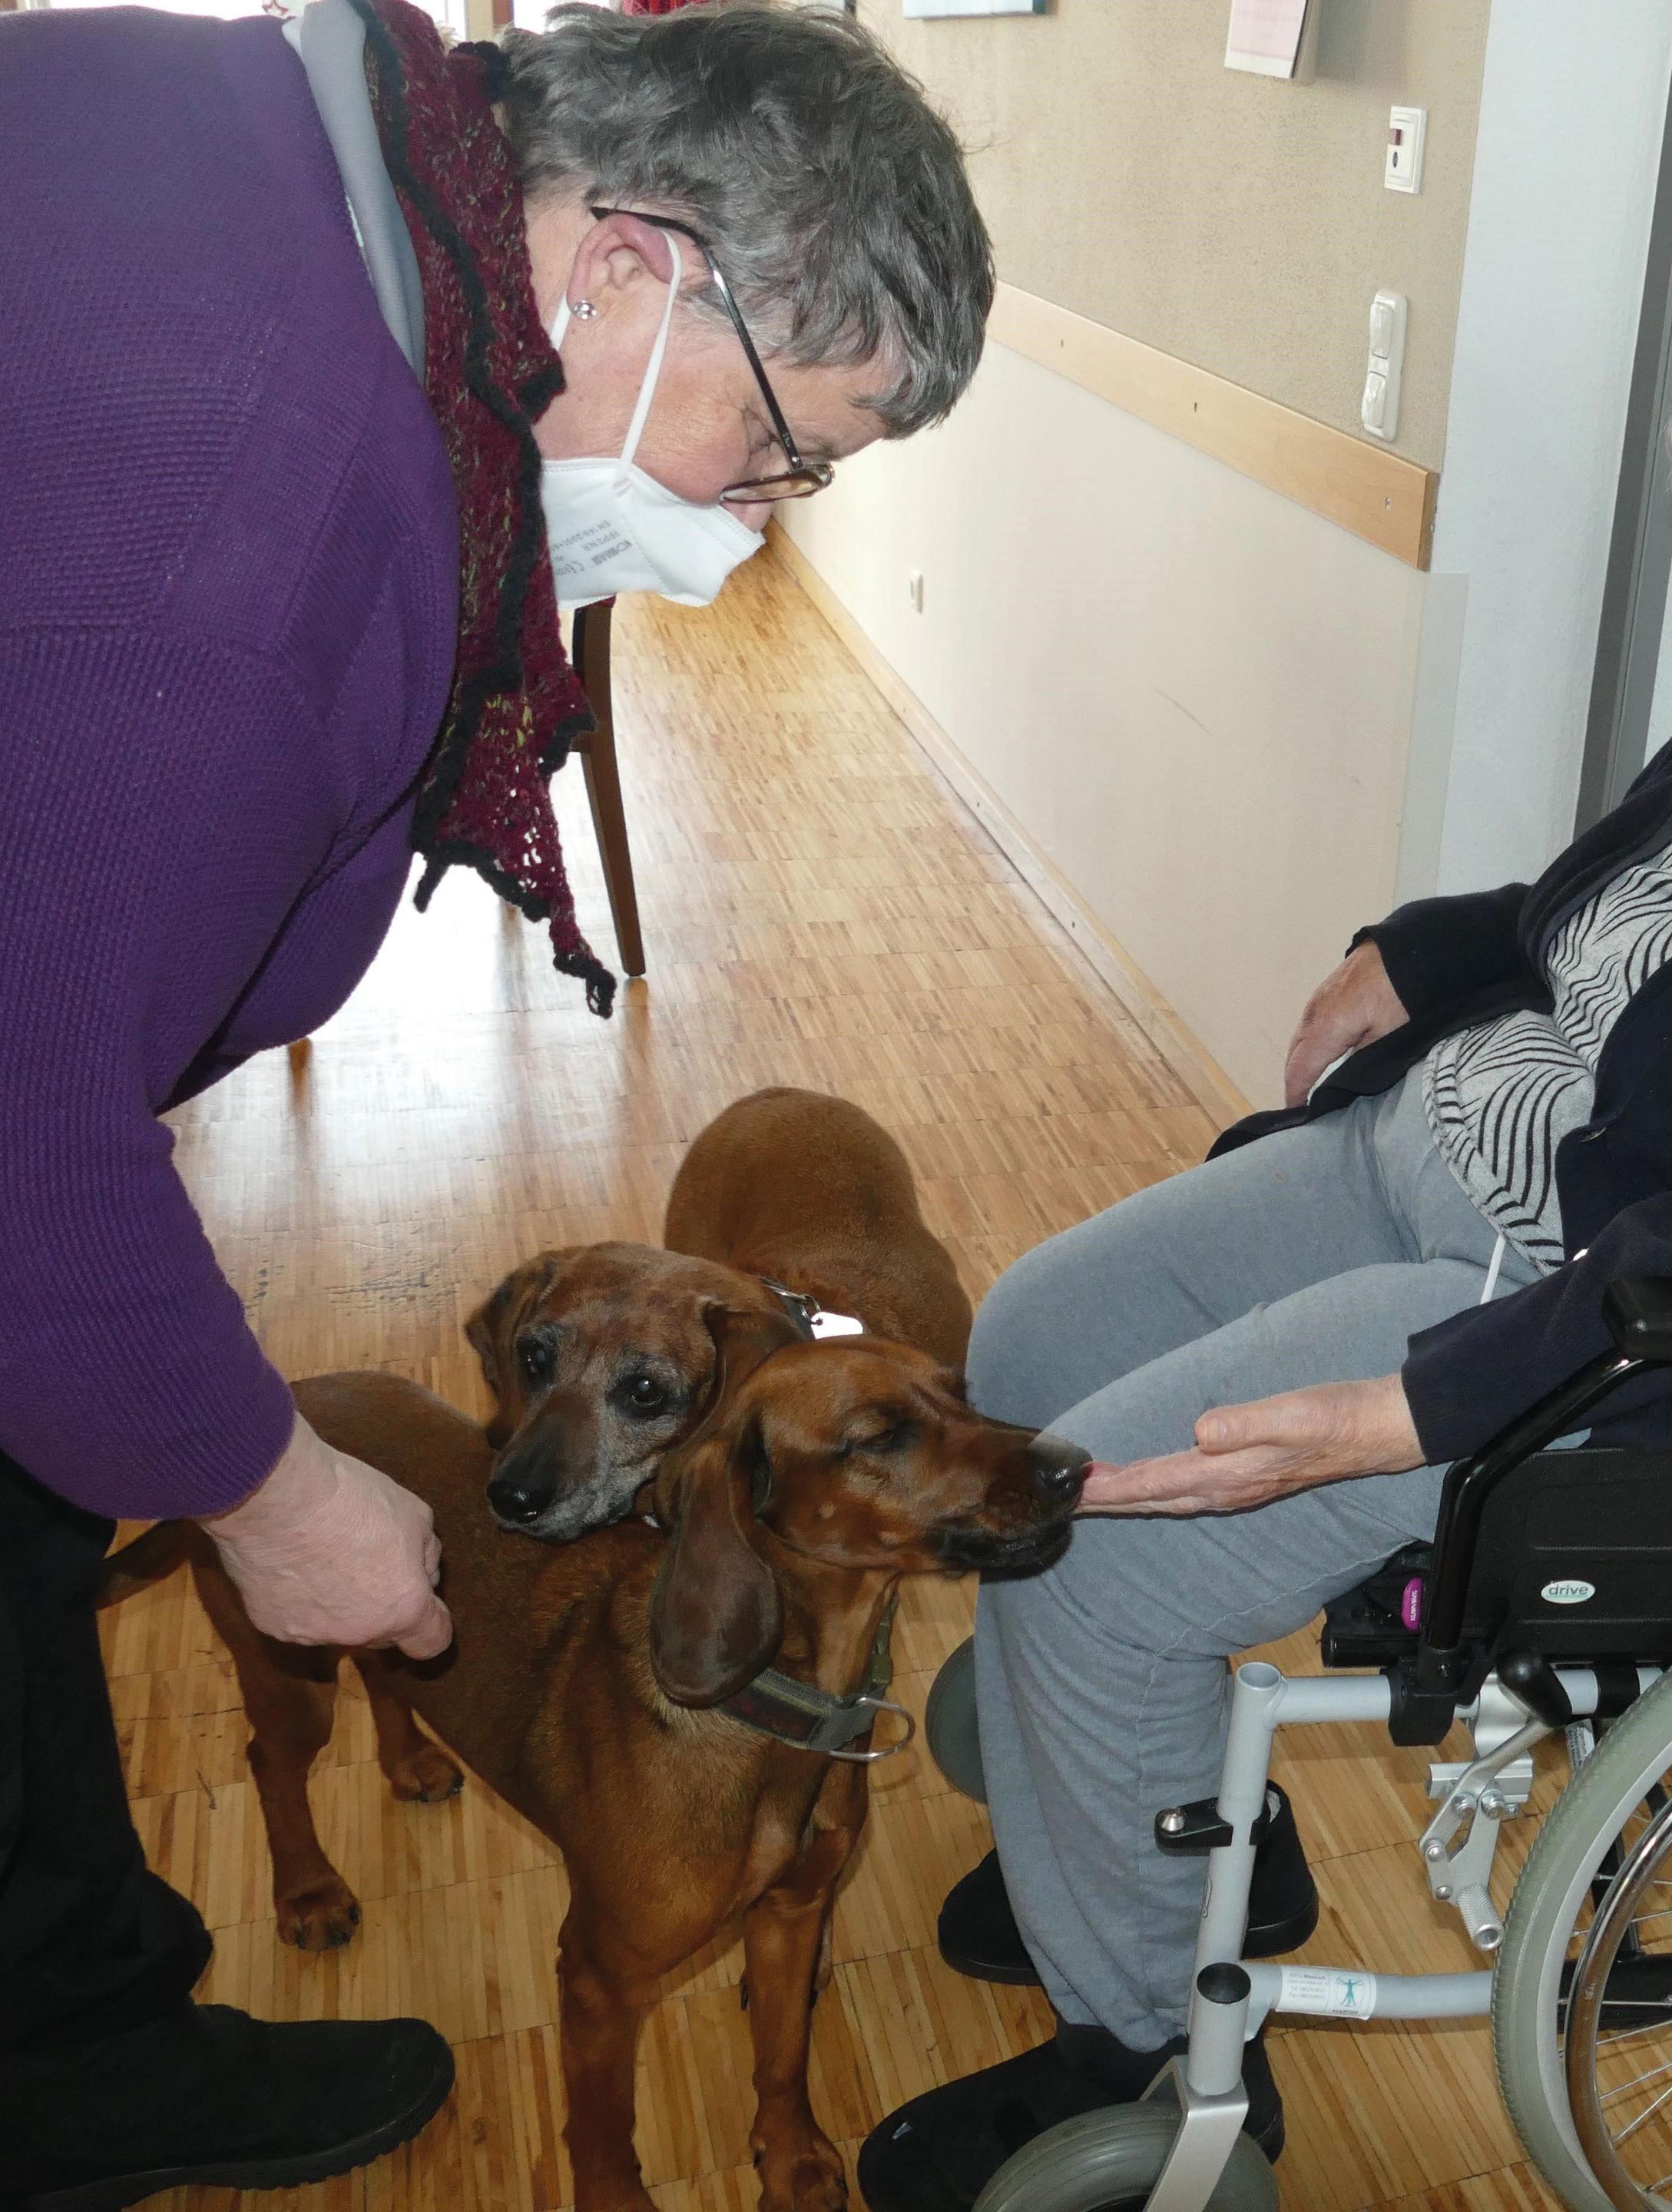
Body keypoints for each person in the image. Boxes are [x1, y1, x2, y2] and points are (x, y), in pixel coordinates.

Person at [856, 288, 1672, 2207]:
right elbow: (1606, 912)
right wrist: (1424, 950)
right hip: (1472, 1154)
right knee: (1038, 1339)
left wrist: (1415, 1406)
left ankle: (1141, 2053)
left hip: (1617, 1324)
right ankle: (1163, 1822)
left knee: (1087, 1550)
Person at [0, 3, 992, 2200]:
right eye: (779, 449)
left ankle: (74, 2022)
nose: (754, 523)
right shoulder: (257, 531)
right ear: (630, 265)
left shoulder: (272, 155)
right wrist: (266, 1489)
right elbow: (20, 1138)